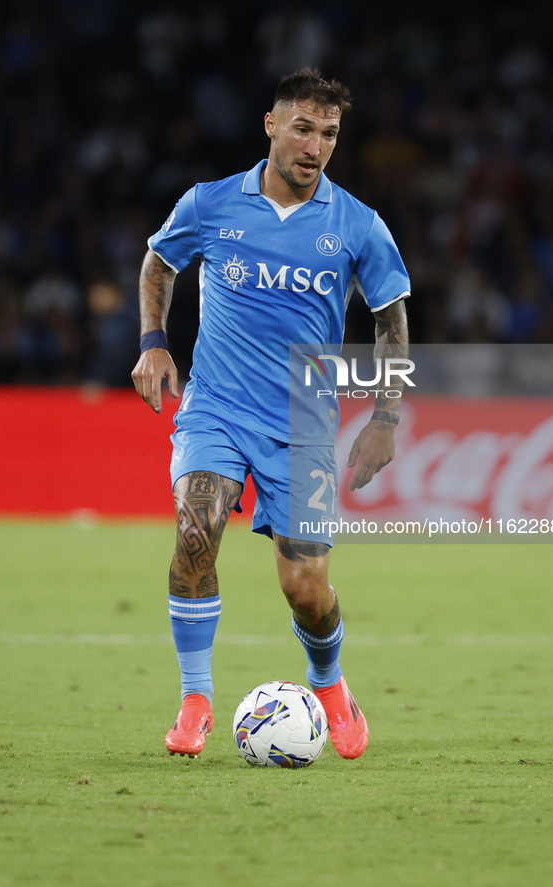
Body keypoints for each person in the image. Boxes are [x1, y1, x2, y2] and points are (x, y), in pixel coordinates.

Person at [131, 68, 411, 761]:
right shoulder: (211, 202)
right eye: (303, 128)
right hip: (216, 410)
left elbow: (390, 320)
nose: (315, 145)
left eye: (329, 134)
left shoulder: (357, 225)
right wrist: (153, 343)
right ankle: (196, 697)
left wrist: (385, 416)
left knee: (305, 587)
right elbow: (158, 264)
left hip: (304, 426)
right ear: (270, 124)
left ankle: (329, 680)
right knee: (194, 532)